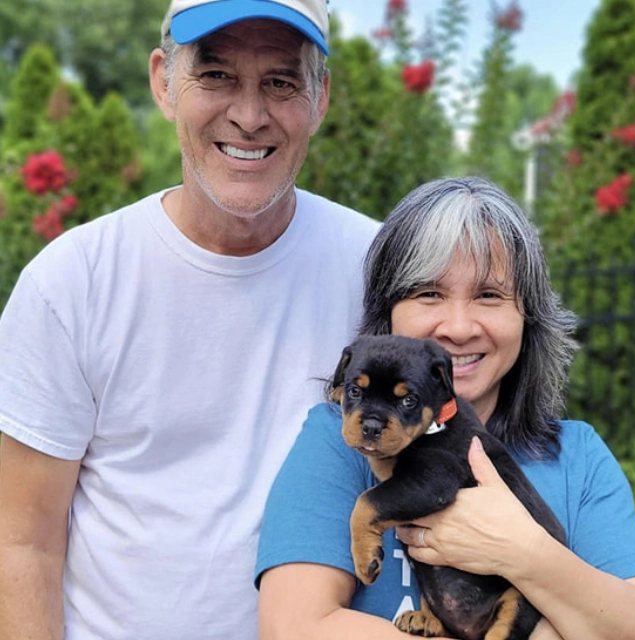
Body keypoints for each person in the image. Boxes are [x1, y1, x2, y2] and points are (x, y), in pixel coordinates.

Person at [0, 1, 380, 639]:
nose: (249, 115)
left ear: (320, 99)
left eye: (281, 82)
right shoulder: (73, 283)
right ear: (163, 83)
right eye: (217, 76)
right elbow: (21, 543)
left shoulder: (376, 271)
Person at [256, 176, 635, 640]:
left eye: (489, 295)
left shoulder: (578, 457)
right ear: (389, 312)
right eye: (428, 293)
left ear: (528, 318)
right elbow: (292, 627)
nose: (458, 328)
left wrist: (521, 551)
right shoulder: (339, 440)